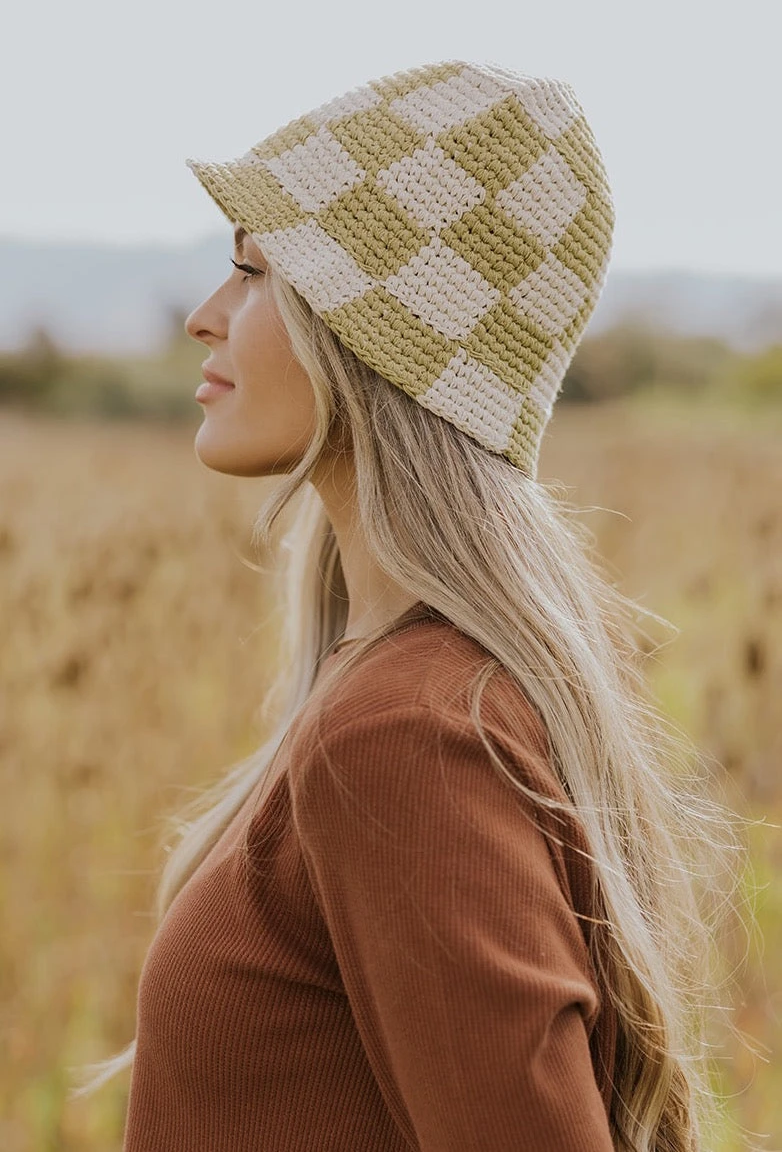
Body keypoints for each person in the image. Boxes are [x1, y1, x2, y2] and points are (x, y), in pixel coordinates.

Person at [78, 60, 746, 1150]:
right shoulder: (406, 691)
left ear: (366, 334)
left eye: (253, 273)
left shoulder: (405, 737)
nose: (205, 316)